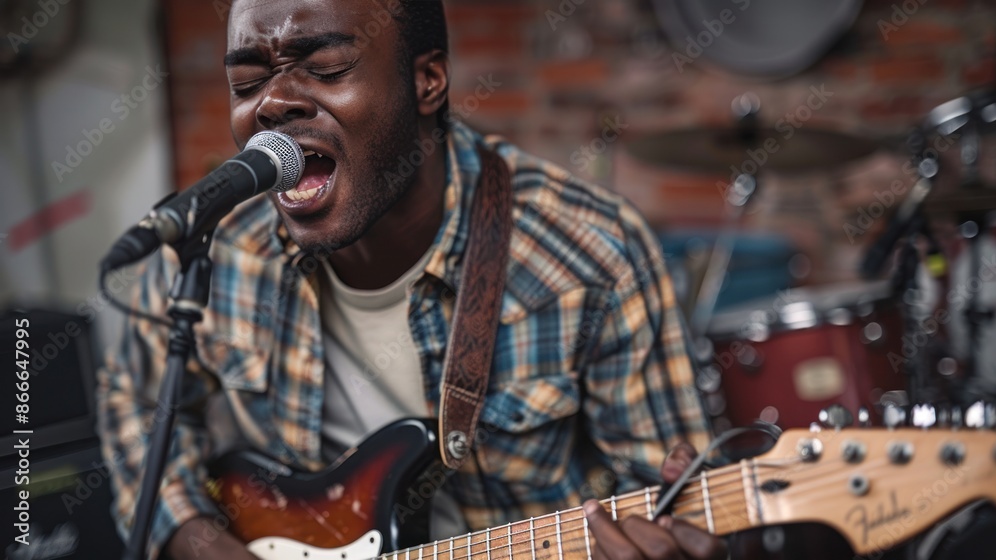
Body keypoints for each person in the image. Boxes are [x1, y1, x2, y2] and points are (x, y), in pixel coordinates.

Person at [96, 1, 725, 559]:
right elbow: (136, 402)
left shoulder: (591, 255)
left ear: (428, 81)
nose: (273, 103)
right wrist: (200, 541)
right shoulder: (218, 246)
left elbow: (674, 498)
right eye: (247, 81)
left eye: (326, 68)